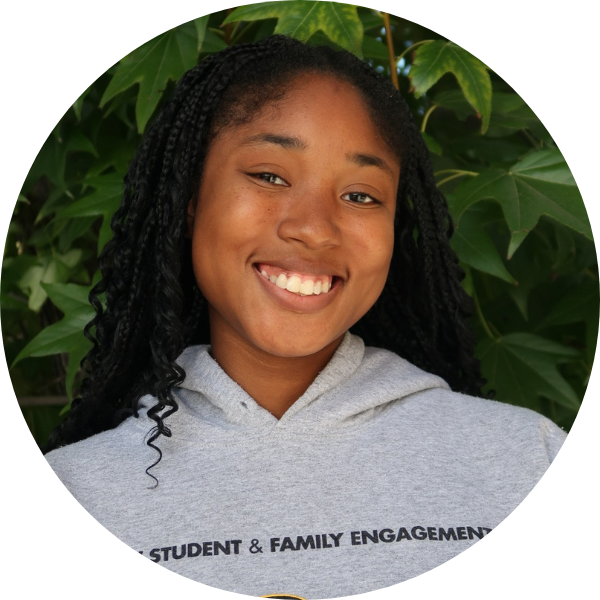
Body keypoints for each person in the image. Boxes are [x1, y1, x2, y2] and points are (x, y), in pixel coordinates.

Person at [43, 35, 567, 597]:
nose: (314, 227)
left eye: (362, 195)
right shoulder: (81, 487)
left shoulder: (522, 462)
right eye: (270, 176)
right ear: (189, 197)